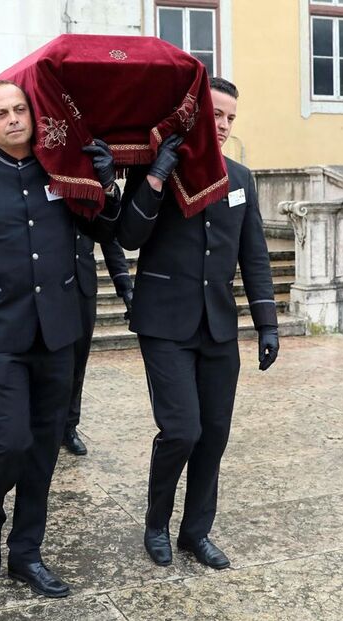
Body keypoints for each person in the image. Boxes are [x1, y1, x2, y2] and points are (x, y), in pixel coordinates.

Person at [0, 80, 120, 598]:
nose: (13, 119)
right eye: (1, 113)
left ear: (33, 115)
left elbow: (105, 230)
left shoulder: (62, 168)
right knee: (9, 438)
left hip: (57, 332)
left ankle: (26, 552)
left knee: (43, 449)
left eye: (19, 110)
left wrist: (106, 184)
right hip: (0, 331)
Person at [116, 77, 279, 570]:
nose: (224, 125)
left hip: (218, 328)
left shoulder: (241, 178)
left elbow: (254, 257)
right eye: (217, 115)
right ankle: (156, 522)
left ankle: (195, 532)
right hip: (164, 323)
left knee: (214, 434)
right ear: (195, 118)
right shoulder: (155, 169)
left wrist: (266, 321)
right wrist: (157, 175)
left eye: (231, 117)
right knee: (181, 431)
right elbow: (128, 235)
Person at [62, 237, 132, 455]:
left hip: (83, 287)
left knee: (78, 363)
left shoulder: (94, 200)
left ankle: (69, 427)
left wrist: (125, 287)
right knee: (50, 365)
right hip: (50, 286)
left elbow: (108, 237)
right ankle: (41, 425)